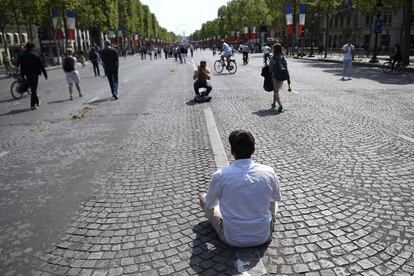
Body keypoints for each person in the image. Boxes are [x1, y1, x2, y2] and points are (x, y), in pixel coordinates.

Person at [199, 130, 281, 247]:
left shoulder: (220, 175)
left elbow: (210, 205)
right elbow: (274, 199)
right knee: (273, 201)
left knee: (203, 198)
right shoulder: (269, 171)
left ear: (232, 151)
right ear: (253, 150)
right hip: (263, 236)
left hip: (232, 238)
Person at [19, 42, 48, 110]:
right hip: (35, 75)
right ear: (32, 47)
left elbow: (22, 67)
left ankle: (37, 102)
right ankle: (32, 105)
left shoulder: (23, 56)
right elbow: (41, 65)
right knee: (34, 90)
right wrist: (45, 74)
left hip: (27, 75)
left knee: (33, 89)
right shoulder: (35, 55)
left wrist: (22, 76)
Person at [269, 44, 290, 113]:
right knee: (276, 91)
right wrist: (288, 78)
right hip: (282, 76)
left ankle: (280, 105)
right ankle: (274, 103)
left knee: (275, 92)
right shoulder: (283, 57)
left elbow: (270, 69)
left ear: (274, 50)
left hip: (275, 76)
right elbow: (286, 68)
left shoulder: (273, 58)